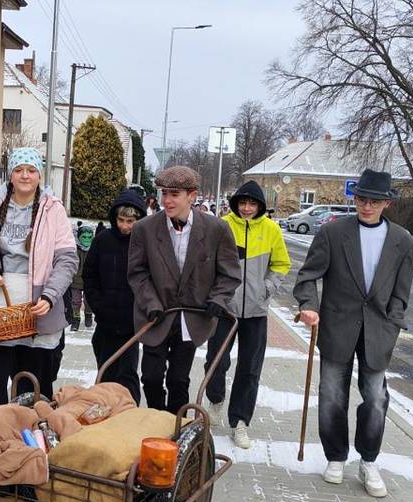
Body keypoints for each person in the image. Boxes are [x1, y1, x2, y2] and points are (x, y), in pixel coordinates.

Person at [294, 169, 413, 498]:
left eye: (374, 201)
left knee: (376, 397)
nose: (366, 206)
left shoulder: (403, 241)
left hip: (378, 330)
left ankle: (369, 460)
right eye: (361, 199)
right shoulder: (334, 233)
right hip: (336, 324)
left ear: (387, 203)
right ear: (355, 198)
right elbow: (308, 276)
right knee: (333, 394)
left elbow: (401, 292)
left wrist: (394, 319)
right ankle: (336, 456)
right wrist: (309, 305)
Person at [127, 165, 241, 413]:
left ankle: (177, 427)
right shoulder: (145, 229)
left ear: (192, 195)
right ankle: (158, 418)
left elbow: (230, 274)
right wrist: (151, 304)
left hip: (193, 316)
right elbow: (137, 273)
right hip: (156, 316)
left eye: (174, 194)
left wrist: (218, 299)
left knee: (179, 379)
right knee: (152, 376)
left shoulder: (216, 230)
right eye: (164, 193)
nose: (167, 200)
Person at [0, 148, 77, 404]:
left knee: (33, 385)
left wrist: (50, 295)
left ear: (40, 175)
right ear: (10, 175)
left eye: (31, 170)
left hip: (37, 307)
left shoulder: (53, 210)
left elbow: (67, 259)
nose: (25, 176)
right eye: (18, 170)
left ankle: (30, 438)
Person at [205, 180, 291, 449]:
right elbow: (207, 263)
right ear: (235, 203)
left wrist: (267, 289)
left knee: (250, 368)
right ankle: (216, 400)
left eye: (252, 203)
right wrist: (215, 295)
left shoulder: (271, 230)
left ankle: (240, 422)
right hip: (224, 310)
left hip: (255, 312)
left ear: (260, 206)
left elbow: (281, 264)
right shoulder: (222, 226)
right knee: (216, 362)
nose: (246, 208)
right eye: (242, 202)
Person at [83, 188, 148, 403]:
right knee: (106, 371)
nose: (125, 226)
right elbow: (89, 275)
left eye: (130, 221)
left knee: (128, 375)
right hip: (106, 320)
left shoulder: (144, 243)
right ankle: (103, 417)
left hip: (132, 323)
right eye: (121, 220)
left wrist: (143, 309)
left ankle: (129, 416)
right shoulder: (103, 240)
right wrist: (98, 306)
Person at [70, 223, 95, 331]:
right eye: (84, 237)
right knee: (75, 300)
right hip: (75, 279)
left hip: (89, 279)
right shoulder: (74, 249)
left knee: (88, 300)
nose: (86, 239)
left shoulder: (94, 248)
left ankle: (88, 315)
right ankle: (76, 319)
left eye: (89, 237)